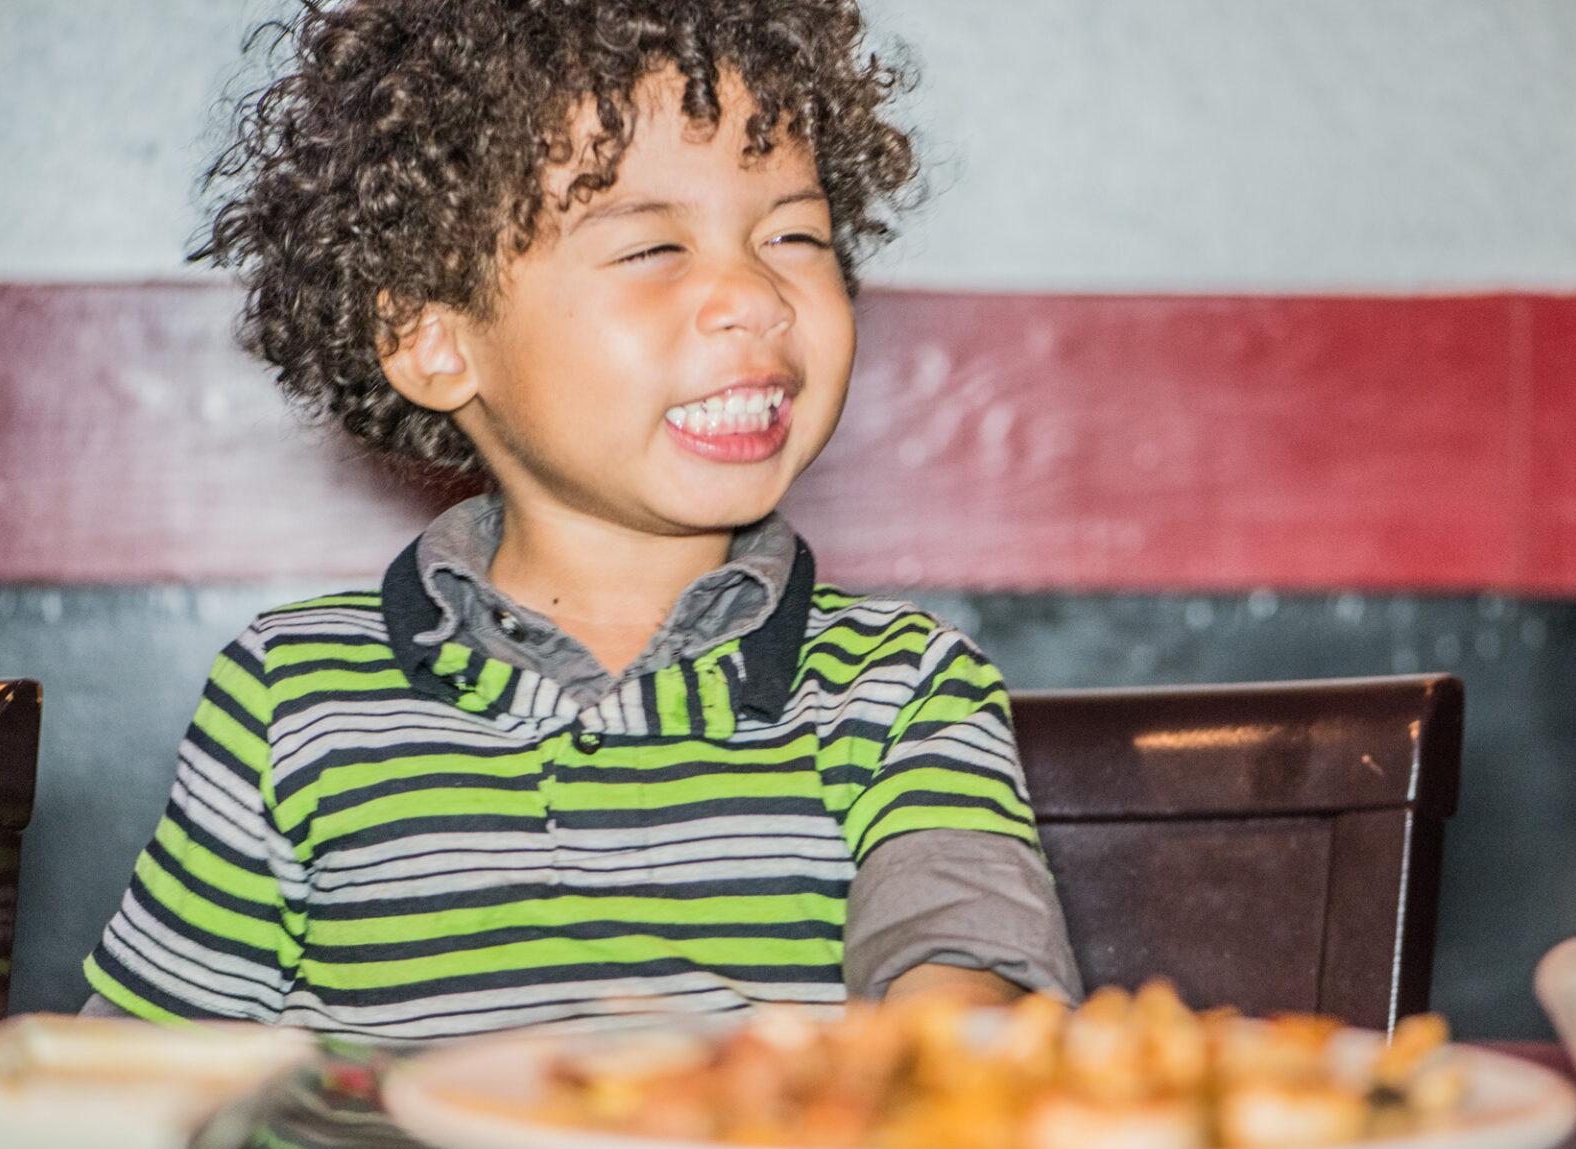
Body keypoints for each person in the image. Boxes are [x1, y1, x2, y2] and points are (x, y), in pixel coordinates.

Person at [81, 0, 1081, 1038]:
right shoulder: (293, 696)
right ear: (434, 336)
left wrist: (939, 1043)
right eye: (651, 248)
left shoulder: (903, 688)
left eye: (794, 234)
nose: (756, 297)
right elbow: (127, 1085)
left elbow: (965, 1001)